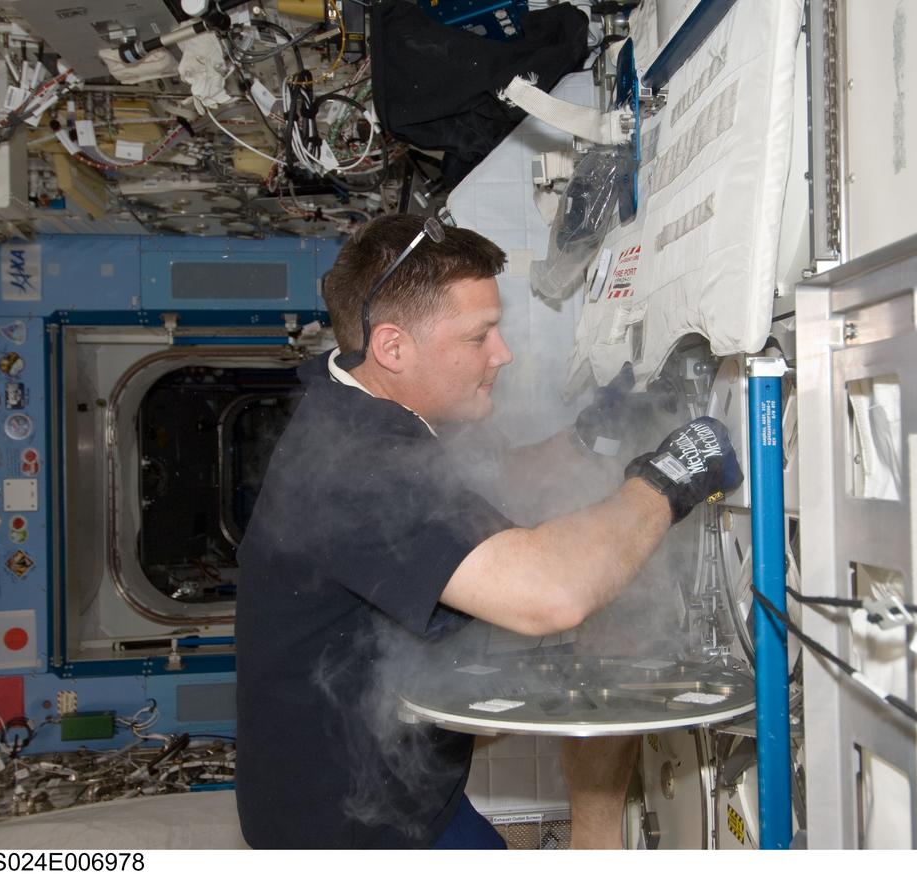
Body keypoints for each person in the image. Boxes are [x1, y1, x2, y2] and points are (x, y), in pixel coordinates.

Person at [235, 214, 741, 849]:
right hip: (351, 831)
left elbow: (499, 480)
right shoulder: (359, 468)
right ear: (393, 347)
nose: (502, 353)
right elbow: (549, 591)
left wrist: (594, 432)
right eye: (481, 335)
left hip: (412, 797)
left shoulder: (370, 405)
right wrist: (670, 476)